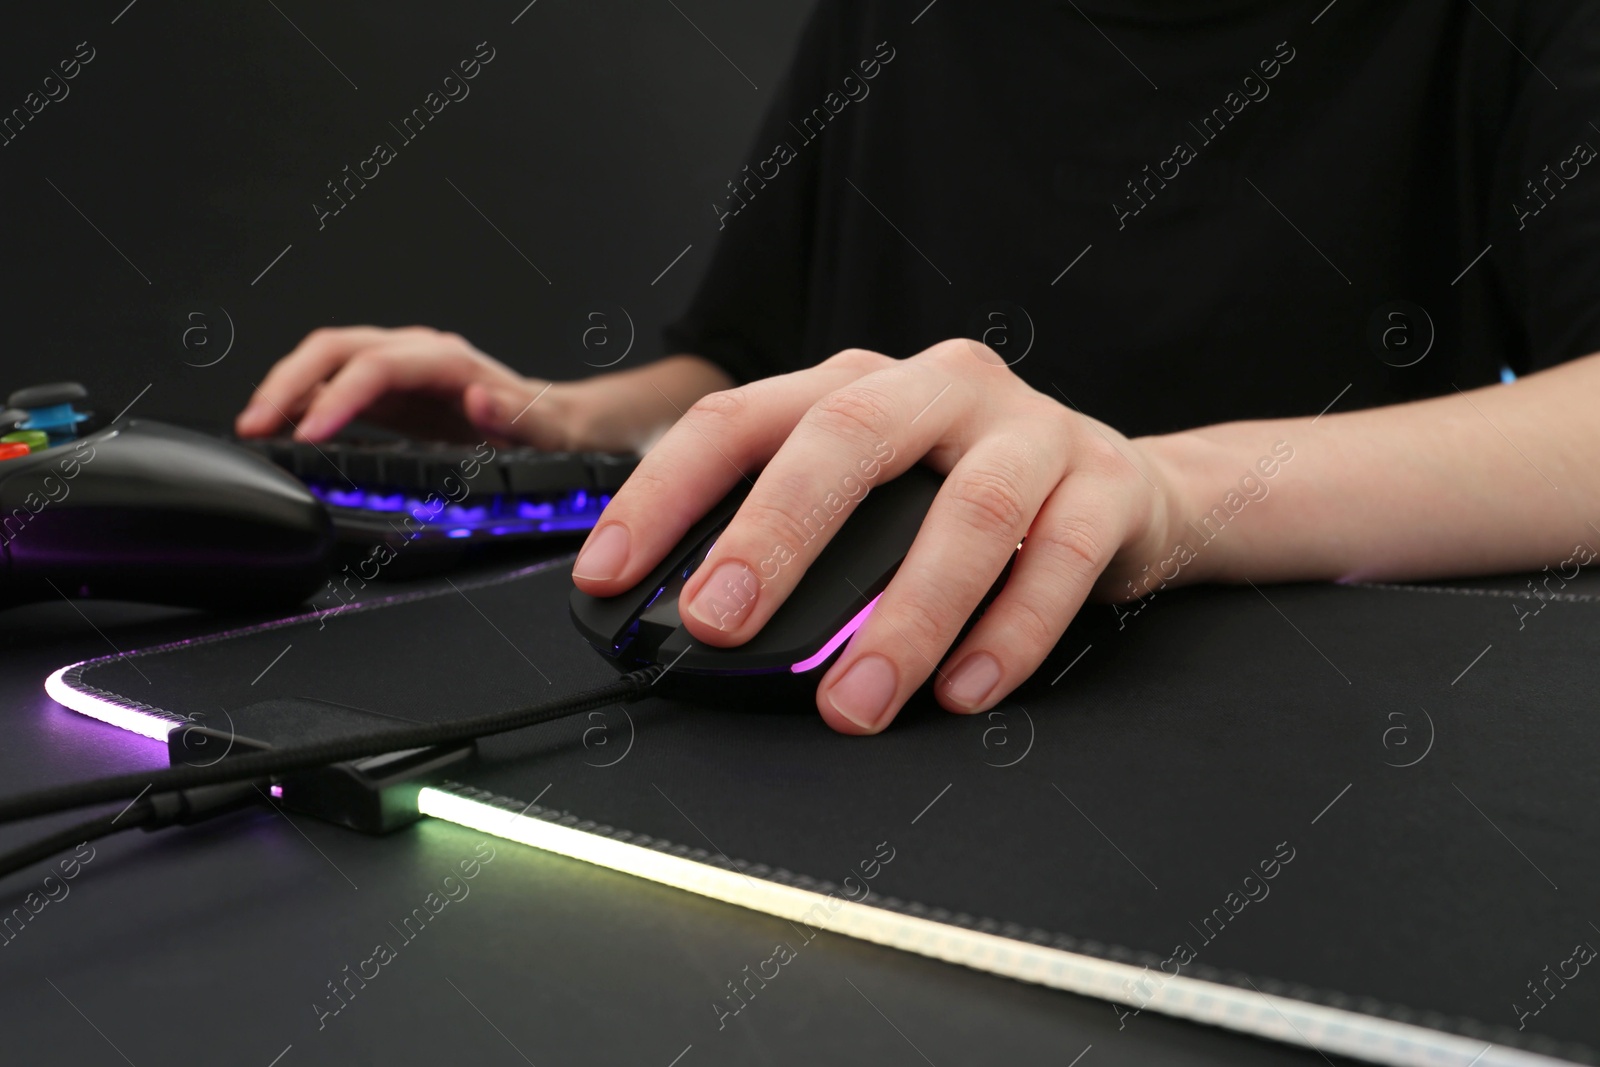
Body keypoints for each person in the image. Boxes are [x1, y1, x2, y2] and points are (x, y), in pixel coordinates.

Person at [237, 0, 1600, 735]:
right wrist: (554, 421)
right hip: (846, 727)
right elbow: (749, 362)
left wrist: (1160, 492)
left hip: (1289, 736)